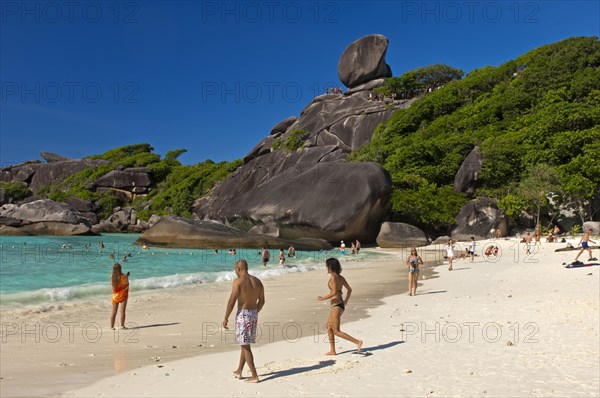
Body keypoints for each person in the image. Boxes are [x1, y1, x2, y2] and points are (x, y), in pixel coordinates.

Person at [223, 260, 265, 383]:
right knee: (245, 343)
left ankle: (254, 375)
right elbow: (262, 301)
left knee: (245, 346)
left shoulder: (238, 282)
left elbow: (232, 301)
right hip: (253, 314)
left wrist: (226, 317)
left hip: (243, 314)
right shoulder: (257, 281)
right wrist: (255, 312)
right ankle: (239, 370)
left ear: (238, 268)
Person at [317, 258, 362, 355]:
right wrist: (345, 301)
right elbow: (349, 289)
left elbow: (334, 292)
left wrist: (323, 298)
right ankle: (332, 350)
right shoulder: (340, 277)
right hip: (339, 304)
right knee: (329, 328)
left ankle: (357, 342)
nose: (326, 268)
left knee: (336, 331)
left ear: (331, 266)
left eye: (327, 266)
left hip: (337, 305)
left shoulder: (334, 277)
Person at [110, 263, 130, 330]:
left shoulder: (112, 277)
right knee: (122, 311)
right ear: (120, 269)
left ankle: (112, 326)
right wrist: (127, 276)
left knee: (114, 312)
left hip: (115, 295)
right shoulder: (123, 276)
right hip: (123, 294)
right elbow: (126, 284)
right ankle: (122, 326)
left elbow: (114, 287)